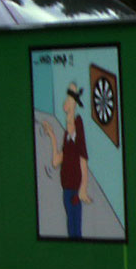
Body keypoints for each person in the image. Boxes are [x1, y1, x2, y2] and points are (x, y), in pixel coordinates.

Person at [38, 82, 91, 239]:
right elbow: (56, 162)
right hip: (66, 192)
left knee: (75, 231)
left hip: (74, 192)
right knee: (71, 230)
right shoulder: (67, 136)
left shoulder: (78, 126)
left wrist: (83, 188)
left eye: (69, 100)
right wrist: (52, 135)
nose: (65, 103)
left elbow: (83, 159)